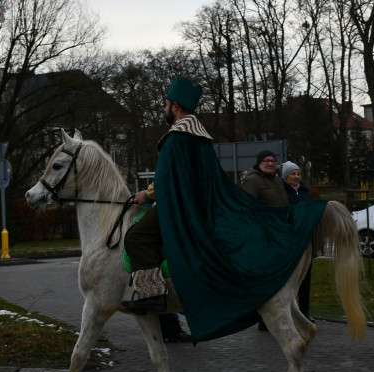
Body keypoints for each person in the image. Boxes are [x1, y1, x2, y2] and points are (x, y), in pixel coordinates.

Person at [122, 77, 328, 343]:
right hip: (201, 208)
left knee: (136, 237)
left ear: (174, 106)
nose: (164, 108)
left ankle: (151, 296)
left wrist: (145, 194)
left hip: (178, 209)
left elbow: (165, 183)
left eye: (165, 104)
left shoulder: (173, 140)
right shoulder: (201, 137)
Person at [240, 151, 288, 331]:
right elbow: (248, 208)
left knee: (279, 278)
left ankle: (275, 313)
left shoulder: (276, 180)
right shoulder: (253, 181)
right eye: (266, 161)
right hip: (264, 237)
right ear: (259, 163)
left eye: (273, 161)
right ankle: (264, 318)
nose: (270, 164)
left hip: (279, 235)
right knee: (266, 278)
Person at [281, 161, 313, 321]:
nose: (296, 177)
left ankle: (305, 312)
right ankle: (288, 312)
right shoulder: (282, 192)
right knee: (290, 278)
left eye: (298, 173)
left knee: (306, 276)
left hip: (306, 239)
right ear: (285, 176)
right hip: (291, 241)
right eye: (292, 174)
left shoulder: (304, 190)